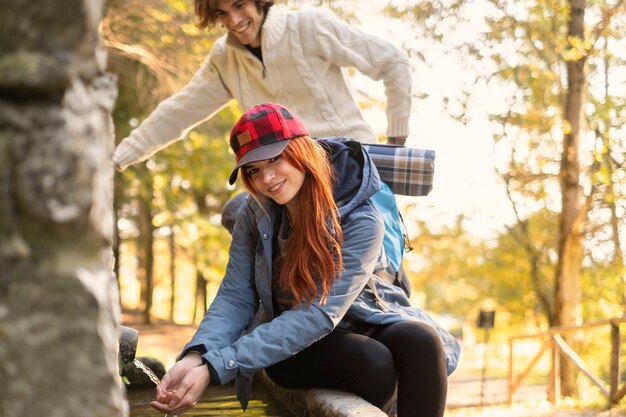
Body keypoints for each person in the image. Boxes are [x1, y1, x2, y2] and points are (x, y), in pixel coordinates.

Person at [150, 103, 460, 417]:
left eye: (274, 158)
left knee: (423, 341)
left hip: (350, 316)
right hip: (288, 340)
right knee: (374, 363)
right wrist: (197, 357)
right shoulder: (252, 213)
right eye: (253, 170)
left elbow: (323, 313)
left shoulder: (363, 220)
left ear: (301, 150)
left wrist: (219, 364)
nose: (267, 178)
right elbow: (235, 296)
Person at [112, 0, 411, 171]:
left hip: (347, 163)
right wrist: (117, 159)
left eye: (239, 5)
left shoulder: (309, 27)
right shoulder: (224, 58)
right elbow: (177, 113)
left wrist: (395, 142)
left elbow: (394, 61)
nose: (234, 20)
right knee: (239, 216)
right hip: (286, 177)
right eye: (222, 12)